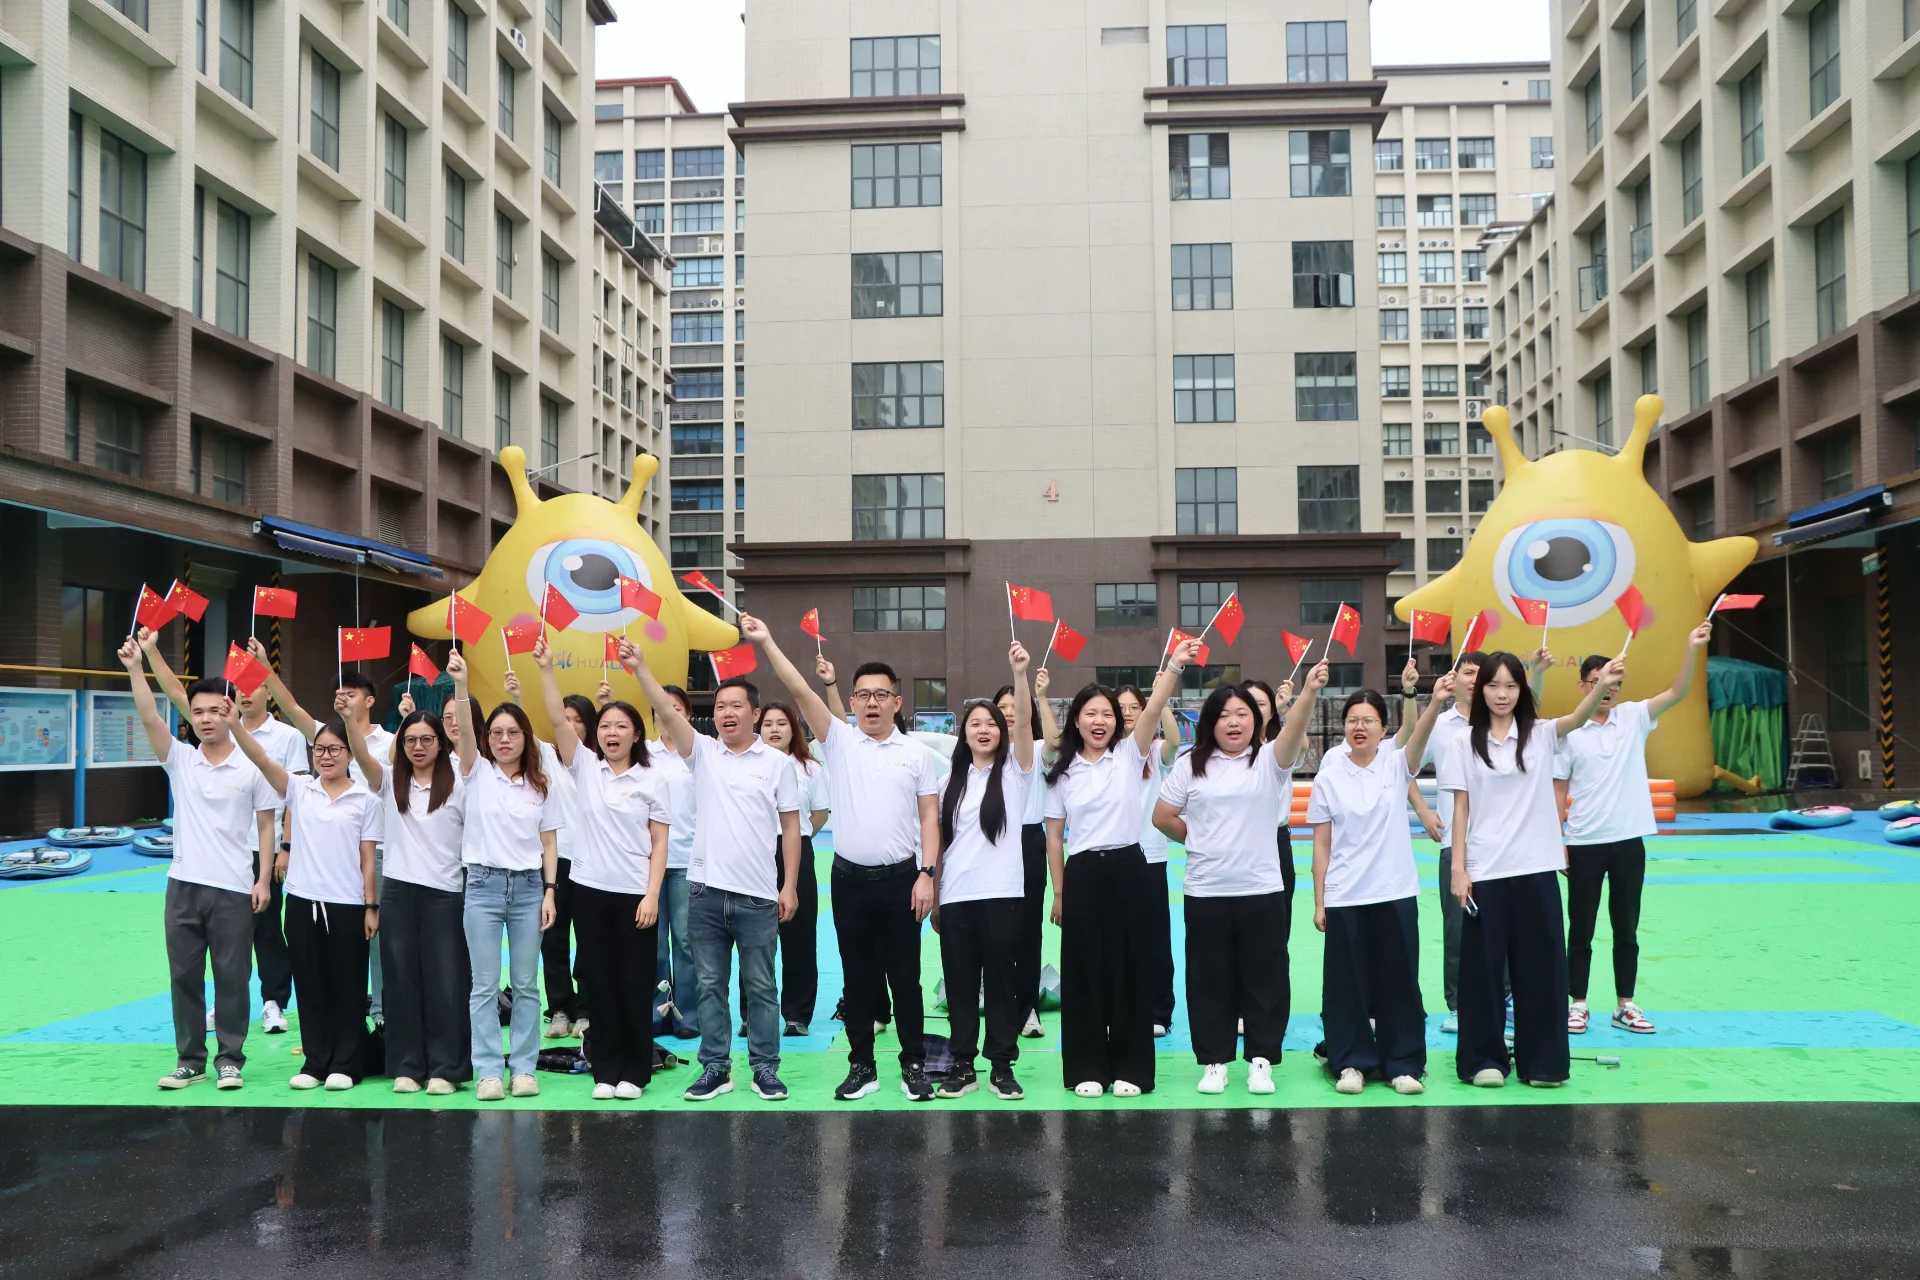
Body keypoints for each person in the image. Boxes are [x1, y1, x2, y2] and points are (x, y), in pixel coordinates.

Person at [748, 614, 944, 1102]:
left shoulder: (916, 755)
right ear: (852, 702)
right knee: (858, 979)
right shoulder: (839, 742)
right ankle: (862, 1067)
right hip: (849, 882)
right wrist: (769, 638)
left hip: (902, 880)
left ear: (898, 702)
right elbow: (799, 690)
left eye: (882, 695)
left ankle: (913, 1065)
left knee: (906, 979)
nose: (872, 703)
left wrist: (927, 875)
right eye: (863, 695)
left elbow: (929, 821)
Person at [625, 640, 800, 1102]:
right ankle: (716, 1068)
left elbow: (791, 827)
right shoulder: (702, 753)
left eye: (736, 706)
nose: (726, 713)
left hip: (759, 896)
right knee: (709, 987)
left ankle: (765, 1069)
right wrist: (641, 665)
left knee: (761, 987)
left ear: (755, 714)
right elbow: (668, 711)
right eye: (720, 706)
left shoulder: (779, 765)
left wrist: (791, 886)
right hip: (704, 893)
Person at [1441, 650, 1622, 1088]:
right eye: (1493, 685)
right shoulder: (1461, 742)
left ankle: (1543, 1063)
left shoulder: (1540, 734)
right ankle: (1484, 1059)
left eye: (1511, 685)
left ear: (1522, 689)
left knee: (1541, 968)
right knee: (1482, 971)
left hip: (1536, 867)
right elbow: (1460, 809)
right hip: (1485, 869)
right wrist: (1459, 870)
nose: (1501, 694)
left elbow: (1577, 718)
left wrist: (1602, 683)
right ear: (1479, 689)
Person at [1154, 661, 1326, 1095]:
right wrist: (1197, 839)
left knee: (1265, 976)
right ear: (1211, 722)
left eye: (1243, 714)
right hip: (1206, 890)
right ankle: (1214, 1062)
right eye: (1224, 715)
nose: (1233, 722)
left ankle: (1261, 1061)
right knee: (1209, 978)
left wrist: (1308, 691)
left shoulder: (1269, 760)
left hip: (1262, 889)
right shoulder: (1192, 763)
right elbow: (1162, 816)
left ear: (1258, 721)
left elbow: (1296, 729)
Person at [119, 637, 277, 1091]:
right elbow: (150, 716)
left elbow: (266, 827)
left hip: (233, 888)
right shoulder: (181, 761)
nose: (206, 719)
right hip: (183, 887)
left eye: (215, 711)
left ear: (230, 713)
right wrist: (136, 667)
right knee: (184, 975)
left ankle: (230, 1058)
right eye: (199, 712)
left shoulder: (251, 767)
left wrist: (263, 879)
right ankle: (190, 1059)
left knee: (232, 976)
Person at [1045, 638, 1199, 1098]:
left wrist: (1172, 666)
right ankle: (1087, 1067)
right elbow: (1055, 836)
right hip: (1085, 874)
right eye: (1090, 713)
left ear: (1118, 722)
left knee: (1132, 969)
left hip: (1130, 867)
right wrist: (1059, 891)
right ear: (1076, 719)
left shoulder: (1131, 755)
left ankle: (1131, 1068)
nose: (1099, 721)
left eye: (1107, 714)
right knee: (1086, 971)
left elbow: (1153, 709)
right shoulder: (1063, 771)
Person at [139, 630, 307, 1036]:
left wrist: (284, 849)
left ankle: (272, 1002)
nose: (246, 696)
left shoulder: (282, 740)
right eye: (240, 690)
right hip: (211, 860)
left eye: (255, 687)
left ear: (268, 691)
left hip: (257, 854)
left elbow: (293, 799)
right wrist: (147, 655)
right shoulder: (201, 743)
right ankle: (214, 1020)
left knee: (266, 932)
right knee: (214, 951)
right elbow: (172, 697)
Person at [1557, 621, 1712, 1036]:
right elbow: (1558, 792)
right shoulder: (1570, 732)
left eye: (1612, 683)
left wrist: (1691, 647)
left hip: (1628, 842)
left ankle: (1624, 1004)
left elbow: (1678, 692)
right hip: (1585, 842)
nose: (1606, 690)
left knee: (1626, 929)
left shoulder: (1634, 717)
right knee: (1582, 929)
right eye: (1596, 682)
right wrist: (1558, 841)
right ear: (1582, 686)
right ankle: (1578, 1003)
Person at [533, 639, 669, 1100]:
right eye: (606, 726)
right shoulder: (585, 767)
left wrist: (652, 895)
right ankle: (605, 1071)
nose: (613, 732)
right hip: (589, 891)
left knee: (633, 983)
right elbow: (555, 718)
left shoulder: (652, 779)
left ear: (636, 734)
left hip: (635, 894)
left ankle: (636, 1070)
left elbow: (659, 842)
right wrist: (547, 669)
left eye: (622, 726)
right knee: (598, 983)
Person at [1307, 677, 1454, 1096]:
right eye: (1352, 720)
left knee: (1399, 979)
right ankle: (1350, 1062)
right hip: (1345, 894)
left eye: (1369, 720)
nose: (1360, 727)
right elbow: (1321, 845)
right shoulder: (1329, 777)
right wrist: (1320, 902)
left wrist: (1434, 700)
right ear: (1343, 729)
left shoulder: (1396, 764)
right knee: (1344, 982)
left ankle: (1403, 1063)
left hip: (1394, 892)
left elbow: (1420, 735)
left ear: (1383, 729)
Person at [231, 709, 381, 1091]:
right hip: (301, 902)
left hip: (347, 906)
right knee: (309, 985)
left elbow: (368, 860)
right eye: (319, 750)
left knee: (346, 986)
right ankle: (316, 1062)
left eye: (335, 749)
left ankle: (346, 1063)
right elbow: (261, 759)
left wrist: (370, 906)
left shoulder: (366, 799)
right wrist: (234, 724)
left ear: (350, 754)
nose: (326, 756)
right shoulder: (300, 790)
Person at [446, 650, 561, 1102]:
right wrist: (461, 683)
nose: (504, 739)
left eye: (513, 732)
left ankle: (525, 1068)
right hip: (482, 888)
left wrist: (550, 892)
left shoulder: (541, 783)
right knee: (484, 985)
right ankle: (489, 1069)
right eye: (496, 733)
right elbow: (466, 735)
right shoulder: (474, 772)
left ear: (525, 737)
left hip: (531, 889)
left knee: (528, 984)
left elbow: (549, 843)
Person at [342, 704, 470, 1094]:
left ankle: (446, 1069)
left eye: (426, 739)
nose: (418, 747)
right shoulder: (389, 780)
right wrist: (350, 719)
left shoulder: (461, 783)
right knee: (399, 981)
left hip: (445, 891)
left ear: (440, 742)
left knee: (446, 983)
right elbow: (361, 755)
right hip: (397, 890)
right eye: (410, 740)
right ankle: (406, 1066)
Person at [265, 658, 397, 1025]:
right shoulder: (327, 737)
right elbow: (291, 708)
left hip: (375, 848)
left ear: (369, 700)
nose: (343, 698)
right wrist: (265, 666)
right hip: (326, 852)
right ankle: (328, 1023)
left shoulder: (389, 741)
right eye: (339, 693)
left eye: (351, 694)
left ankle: (382, 1011)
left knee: (374, 937)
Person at [935, 642, 1038, 1100]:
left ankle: (1001, 1065)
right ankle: (962, 1066)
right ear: (964, 733)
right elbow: (938, 844)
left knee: (1001, 983)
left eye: (991, 723)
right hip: (956, 896)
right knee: (959, 986)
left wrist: (1020, 675)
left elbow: (1026, 727)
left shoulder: (1015, 772)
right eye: (974, 723)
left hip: (1001, 894)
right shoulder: (947, 782)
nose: (983, 729)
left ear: (1003, 730)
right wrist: (935, 894)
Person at [501, 667, 590, 1040]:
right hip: (553, 861)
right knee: (551, 937)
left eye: (576, 719)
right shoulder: (549, 756)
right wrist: (518, 697)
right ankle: (559, 1010)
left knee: (588, 939)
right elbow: (527, 737)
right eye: (564, 718)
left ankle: (586, 1010)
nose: (568, 724)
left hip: (591, 862)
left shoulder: (596, 762)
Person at [1419, 650, 1483, 1035]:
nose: (1475, 680)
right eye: (1469, 672)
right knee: (1458, 930)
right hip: (1453, 847)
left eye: (1482, 673)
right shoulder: (1440, 725)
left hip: (1501, 846)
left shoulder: (1504, 724)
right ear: (1454, 677)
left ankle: (1503, 1002)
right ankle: (1457, 1005)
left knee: (1501, 926)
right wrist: (1425, 811)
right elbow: (1402, 762)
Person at [758, 701, 829, 1035]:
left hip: (797, 850)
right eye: (768, 724)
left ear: (793, 729)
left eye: (781, 724)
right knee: (754, 935)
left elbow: (819, 814)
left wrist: (794, 840)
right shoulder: (750, 766)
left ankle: (797, 1014)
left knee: (799, 935)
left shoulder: (810, 768)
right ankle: (752, 1013)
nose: (774, 730)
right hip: (753, 853)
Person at [1116, 684, 1182, 1037]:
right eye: (1121, 707)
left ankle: (1159, 1011)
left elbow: (1174, 739)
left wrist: (1161, 697)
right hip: (1115, 855)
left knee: (1156, 938)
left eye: (1134, 707)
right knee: (1120, 937)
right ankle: (1124, 1007)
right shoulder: (1107, 751)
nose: (1127, 713)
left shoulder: (1155, 751)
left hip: (1151, 855)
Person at [1001, 670, 1053, 1040]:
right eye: (999, 707)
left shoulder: (1035, 749)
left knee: (1028, 931)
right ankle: (998, 997)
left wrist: (1040, 695)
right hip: (989, 843)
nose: (1008, 712)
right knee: (993, 928)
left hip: (1028, 842)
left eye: (1013, 707)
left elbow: (1054, 739)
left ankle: (1027, 1007)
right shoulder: (980, 750)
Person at [648, 683, 701, 1041]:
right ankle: (655, 1013)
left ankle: (687, 1015)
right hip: (648, 864)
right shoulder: (644, 756)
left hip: (687, 861)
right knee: (652, 945)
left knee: (685, 942)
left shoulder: (697, 754)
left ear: (687, 714)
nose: (669, 713)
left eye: (676, 707)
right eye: (661, 707)